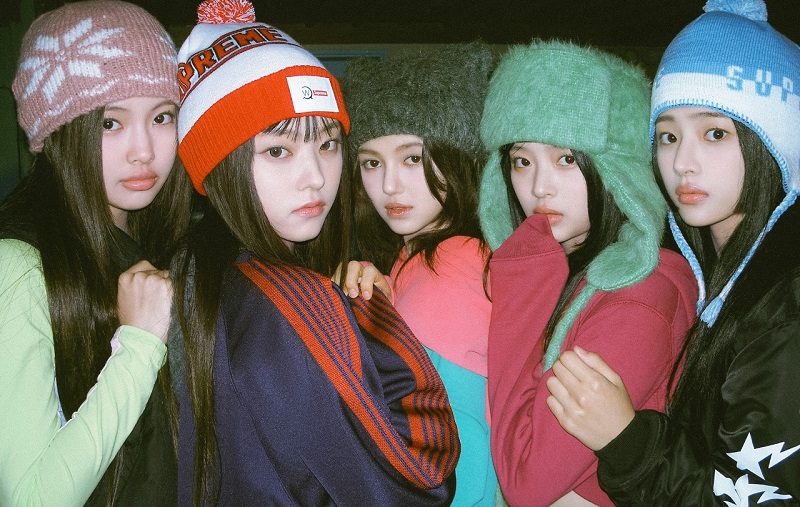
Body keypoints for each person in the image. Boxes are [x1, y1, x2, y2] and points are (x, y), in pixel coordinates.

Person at [171, 0, 459, 504]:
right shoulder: (291, 301)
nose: (316, 177)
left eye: (327, 145)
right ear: (219, 165)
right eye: (278, 150)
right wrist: (374, 319)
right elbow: (421, 475)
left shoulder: (190, 271)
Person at [545, 1, 800, 504]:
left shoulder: (784, 309)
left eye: (715, 133)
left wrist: (626, 439)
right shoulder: (716, 273)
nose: (682, 161)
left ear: (777, 143)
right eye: (667, 135)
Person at [477, 40, 698, 506]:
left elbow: (527, 483)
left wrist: (519, 287)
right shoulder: (565, 268)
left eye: (566, 159)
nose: (539, 187)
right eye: (522, 161)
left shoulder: (636, 298)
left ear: (618, 171)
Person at [0, 1, 192, 504]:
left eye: (162, 117)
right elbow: (32, 497)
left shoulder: (159, 246)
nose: (144, 151)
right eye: (110, 123)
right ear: (55, 133)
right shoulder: (19, 265)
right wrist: (138, 347)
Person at [342, 43, 498, 506]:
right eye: (372, 162)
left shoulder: (451, 265)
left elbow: (461, 444)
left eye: (412, 157)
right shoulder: (423, 254)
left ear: (459, 156)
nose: (389, 185)